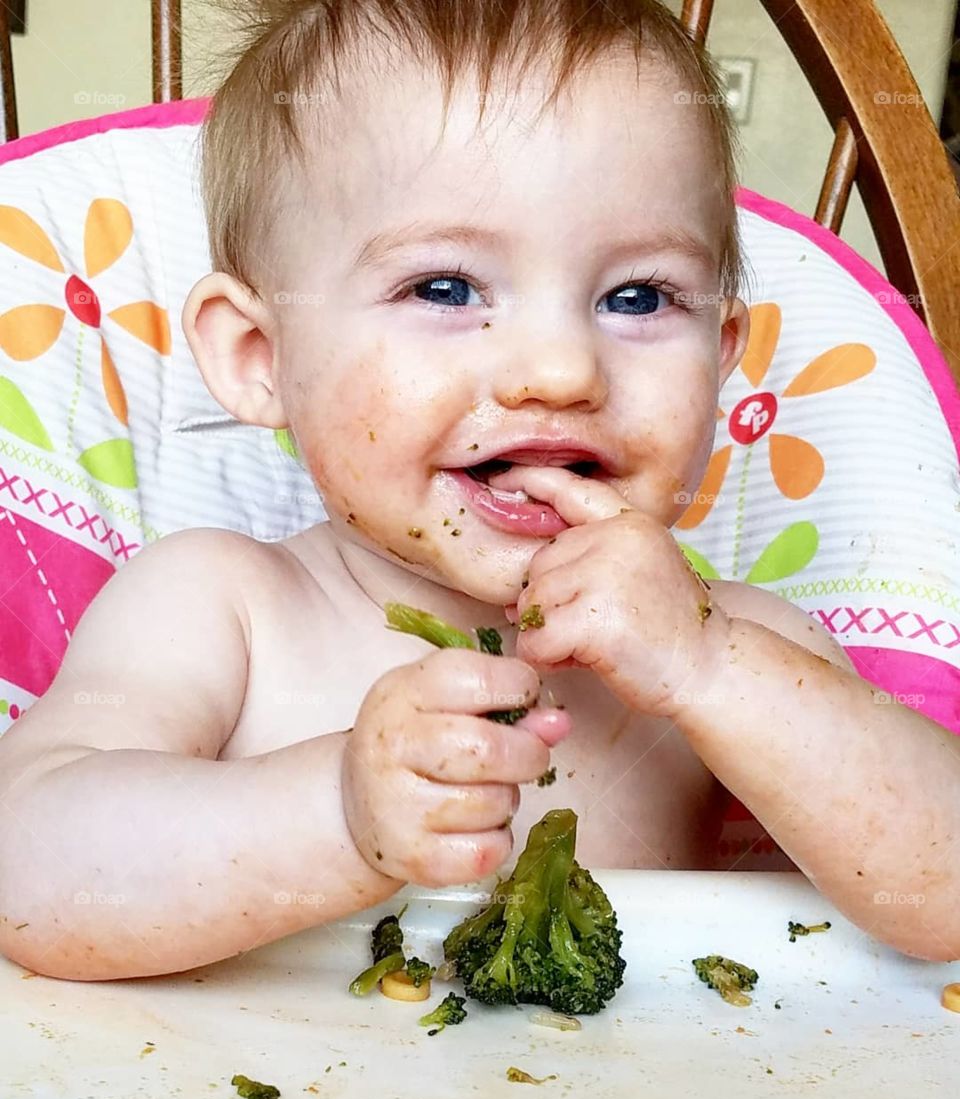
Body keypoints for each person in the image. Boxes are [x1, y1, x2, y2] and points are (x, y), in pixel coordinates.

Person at [0, 0, 955, 980]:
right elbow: (28, 875)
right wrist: (336, 812)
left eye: (637, 298)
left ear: (718, 363)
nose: (559, 369)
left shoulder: (729, 648)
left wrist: (708, 668)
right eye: (447, 288)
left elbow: (945, 897)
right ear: (260, 355)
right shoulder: (221, 610)